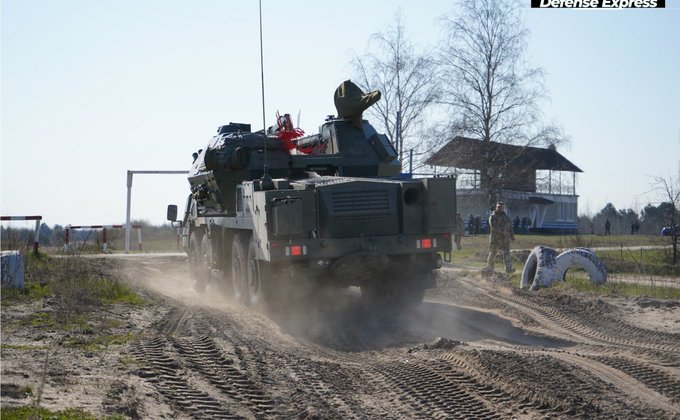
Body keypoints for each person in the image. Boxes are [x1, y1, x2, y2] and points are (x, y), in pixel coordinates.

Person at [483, 202, 515, 274]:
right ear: (496, 207)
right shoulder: (493, 216)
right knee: (493, 253)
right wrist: (502, 231)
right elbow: (493, 226)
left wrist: (512, 235)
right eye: (498, 207)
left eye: (501, 207)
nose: (500, 208)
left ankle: (509, 269)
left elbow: (510, 226)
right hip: (495, 238)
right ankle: (490, 268)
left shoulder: (506, 217)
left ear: (503, 208)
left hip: (505, 239)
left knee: (507, 253)